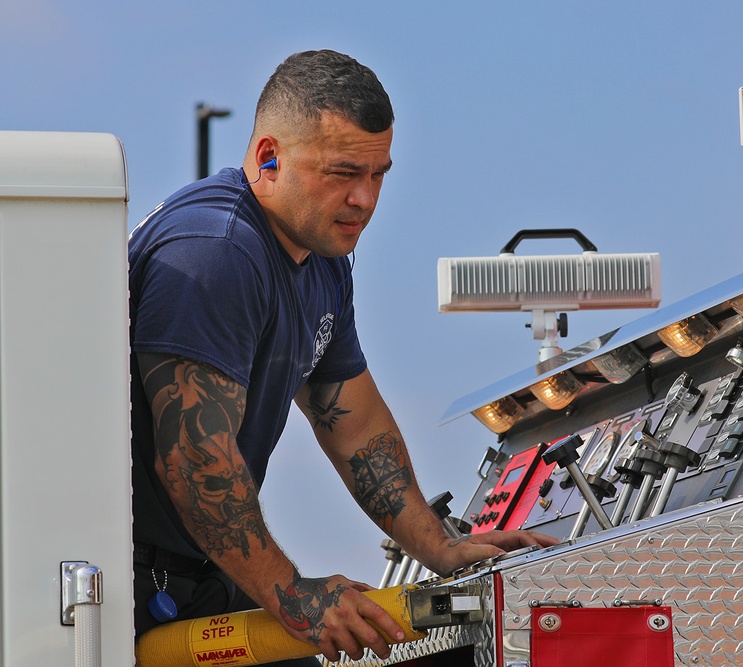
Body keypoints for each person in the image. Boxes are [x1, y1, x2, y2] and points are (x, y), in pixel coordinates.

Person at [128, 49, 557, 665]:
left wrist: (441, 548)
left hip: (198, 573)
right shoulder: (216, 251)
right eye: (342, 172)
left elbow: (354, 424)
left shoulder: (320, 261)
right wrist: (294, 594)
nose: (364, 198)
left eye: (379, 174)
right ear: (268, 157)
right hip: (126, 582)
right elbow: (197, 459)